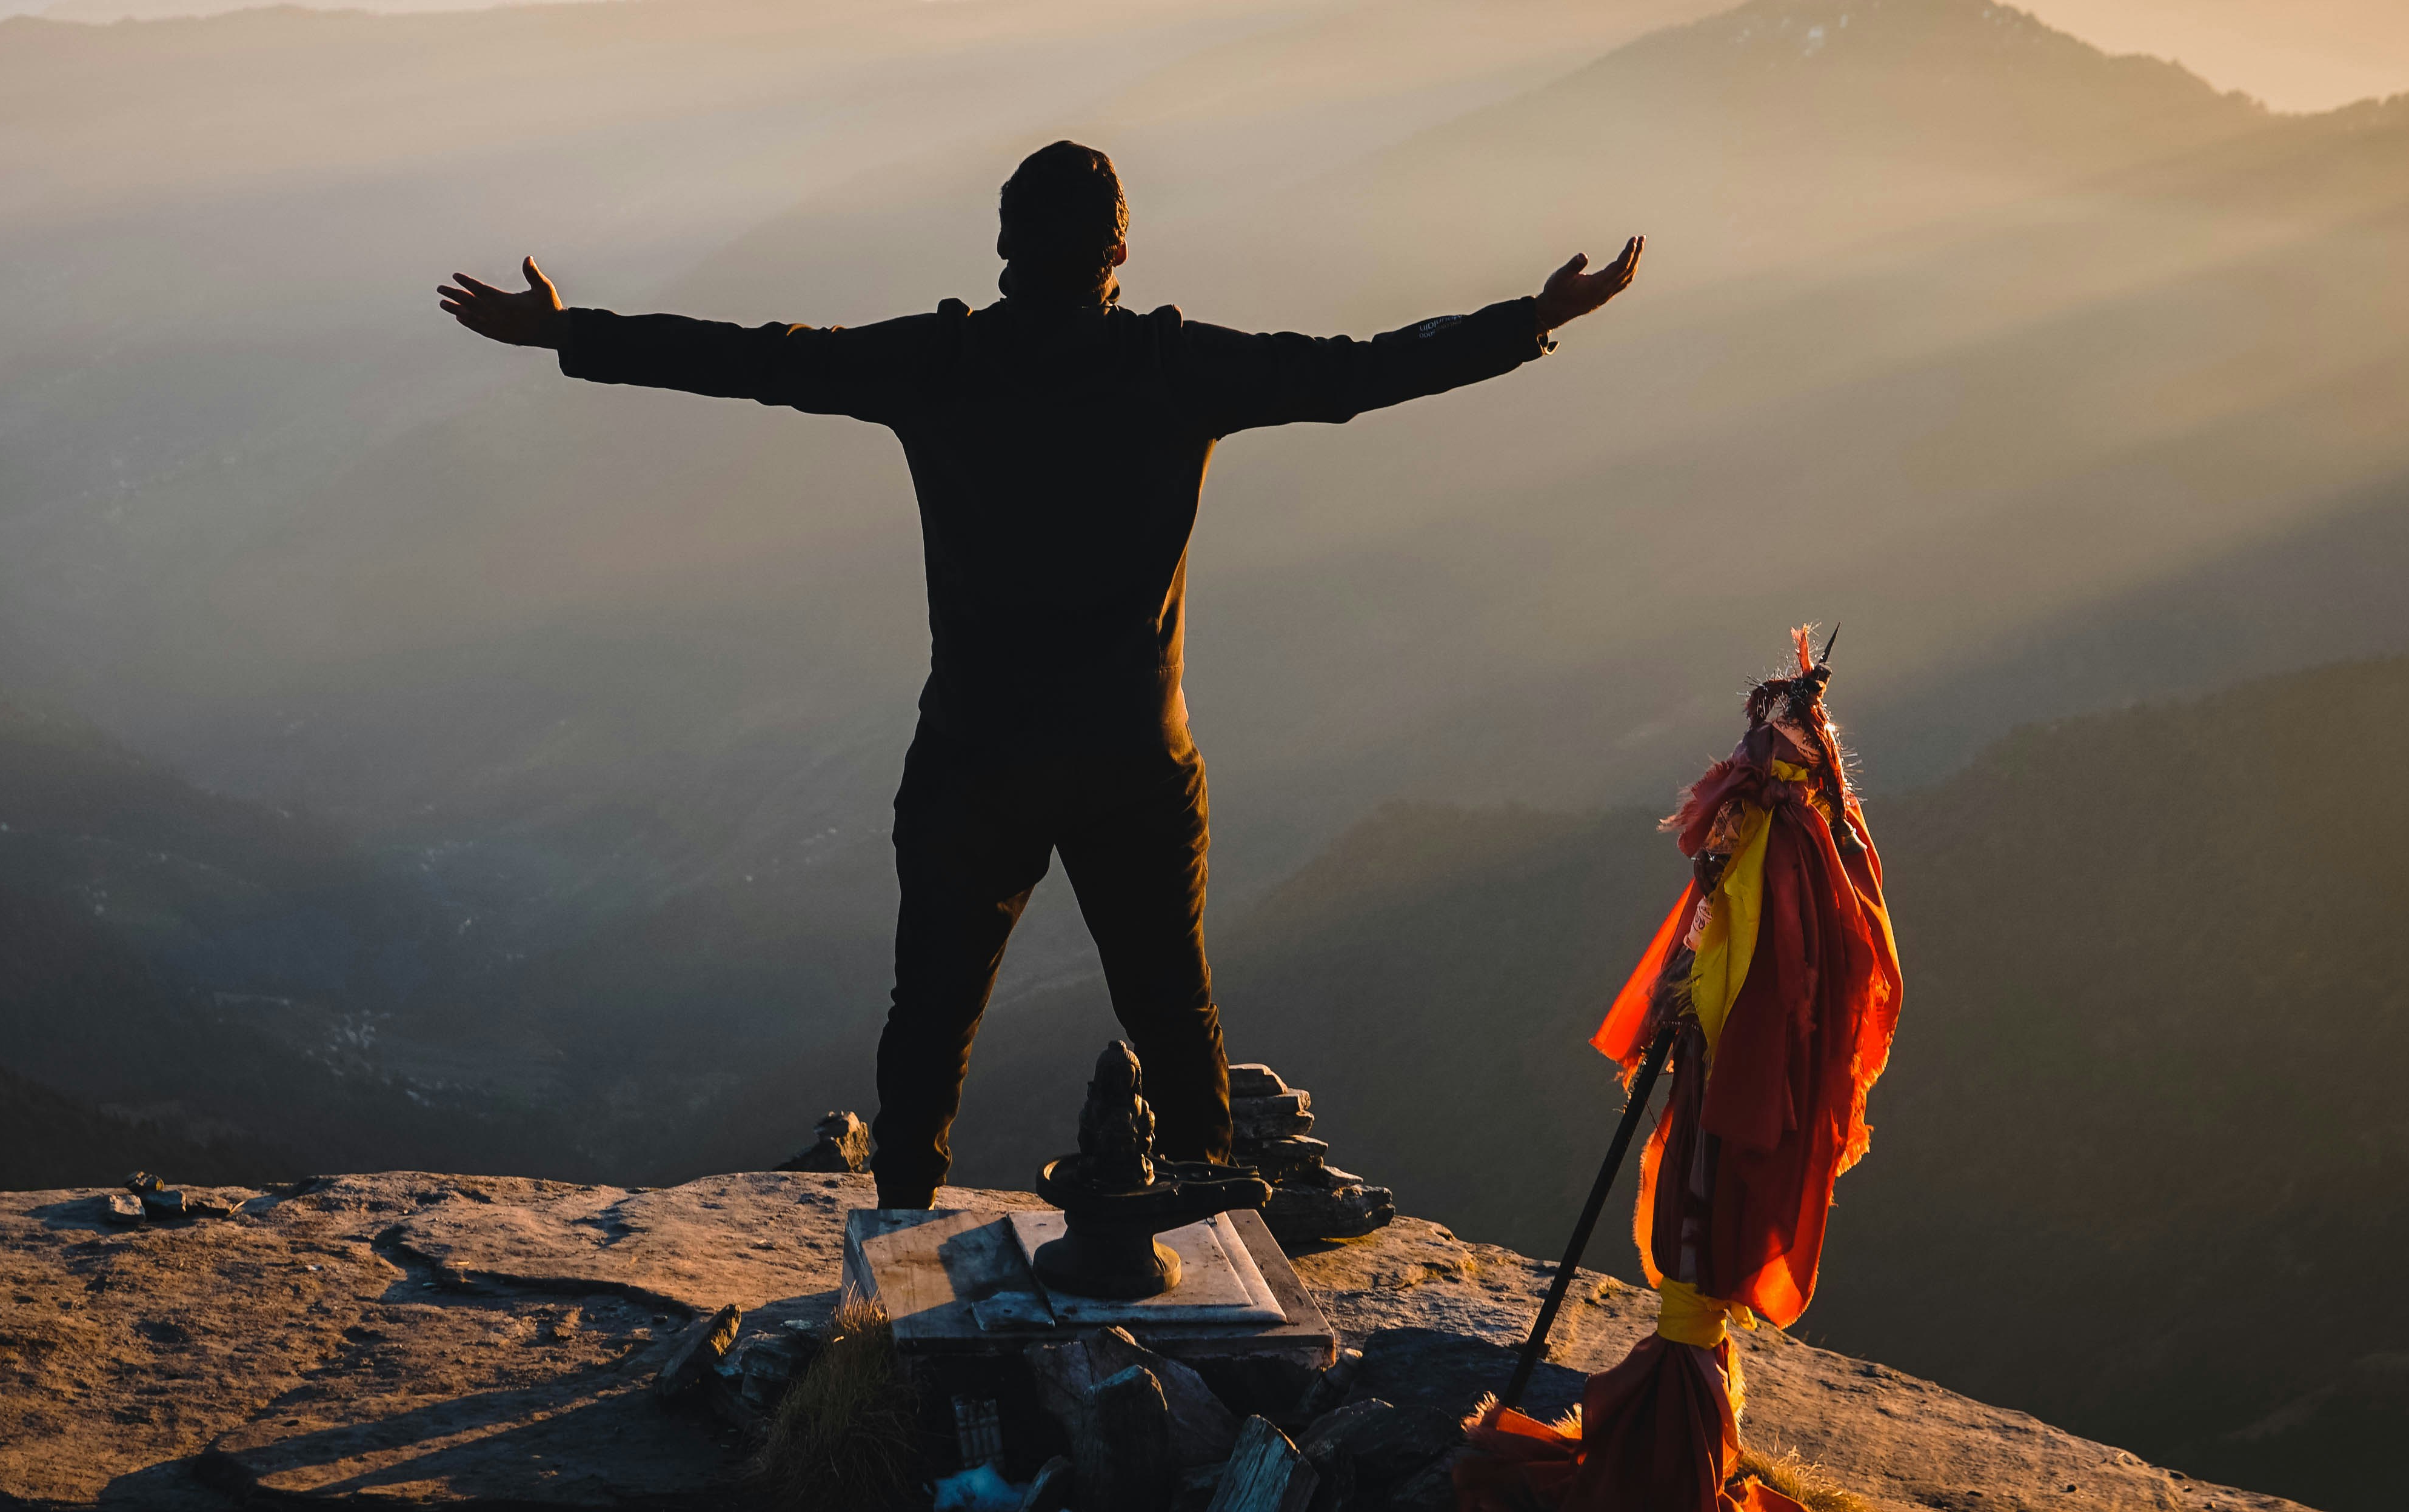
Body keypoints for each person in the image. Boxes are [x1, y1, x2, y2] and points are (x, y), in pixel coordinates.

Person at [440, 141, 1644, 1208]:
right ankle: (1206, 1233)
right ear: (1120, 248)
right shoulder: (1177, 368)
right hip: (1135, 755)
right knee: (1172, 1011)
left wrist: (568, 331)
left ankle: (902, 1230)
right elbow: (1354, 371)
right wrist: (1531, 318)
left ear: (1007, 248)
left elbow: (761, 359)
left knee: (932, 1012)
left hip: (977, 753)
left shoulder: (942, 362)